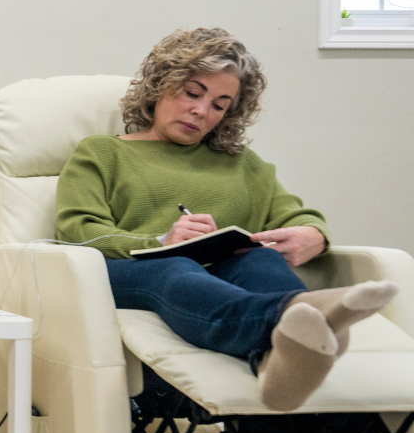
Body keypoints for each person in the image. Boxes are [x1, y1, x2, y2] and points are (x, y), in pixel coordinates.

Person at [55, 27, 396, 412]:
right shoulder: (102, 153)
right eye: (192, 93)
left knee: (261, 259)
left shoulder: (243, 166)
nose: (202, 111)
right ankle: (307, 313)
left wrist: (312, 235)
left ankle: (277, 361)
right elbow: (77, 232)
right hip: (128, 274)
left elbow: (298, 215)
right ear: (160, 86)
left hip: (214, 277)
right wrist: (161, 241)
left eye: (219, 104)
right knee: (176, 266)